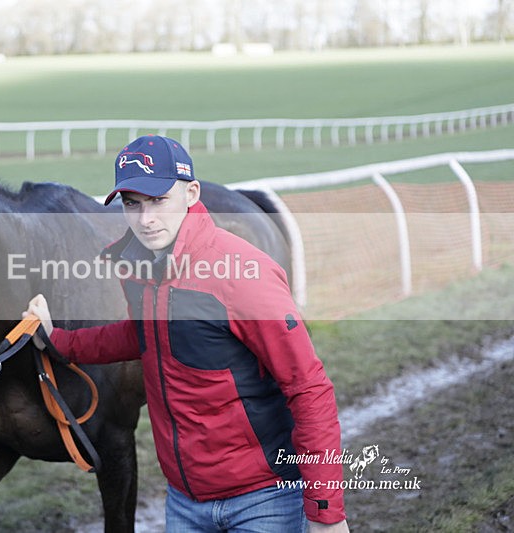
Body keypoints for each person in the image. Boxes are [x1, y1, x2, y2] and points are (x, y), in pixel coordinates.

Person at [25, 135, 349, 532]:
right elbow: (145, 337)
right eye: (132, 204)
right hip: (184, 504)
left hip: (265, 500)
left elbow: (309, 388)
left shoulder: (244, 274)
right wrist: (59, 340)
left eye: (158, 199)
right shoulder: (138, 269)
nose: (145, 219)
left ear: (192, 193)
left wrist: (325, 512)